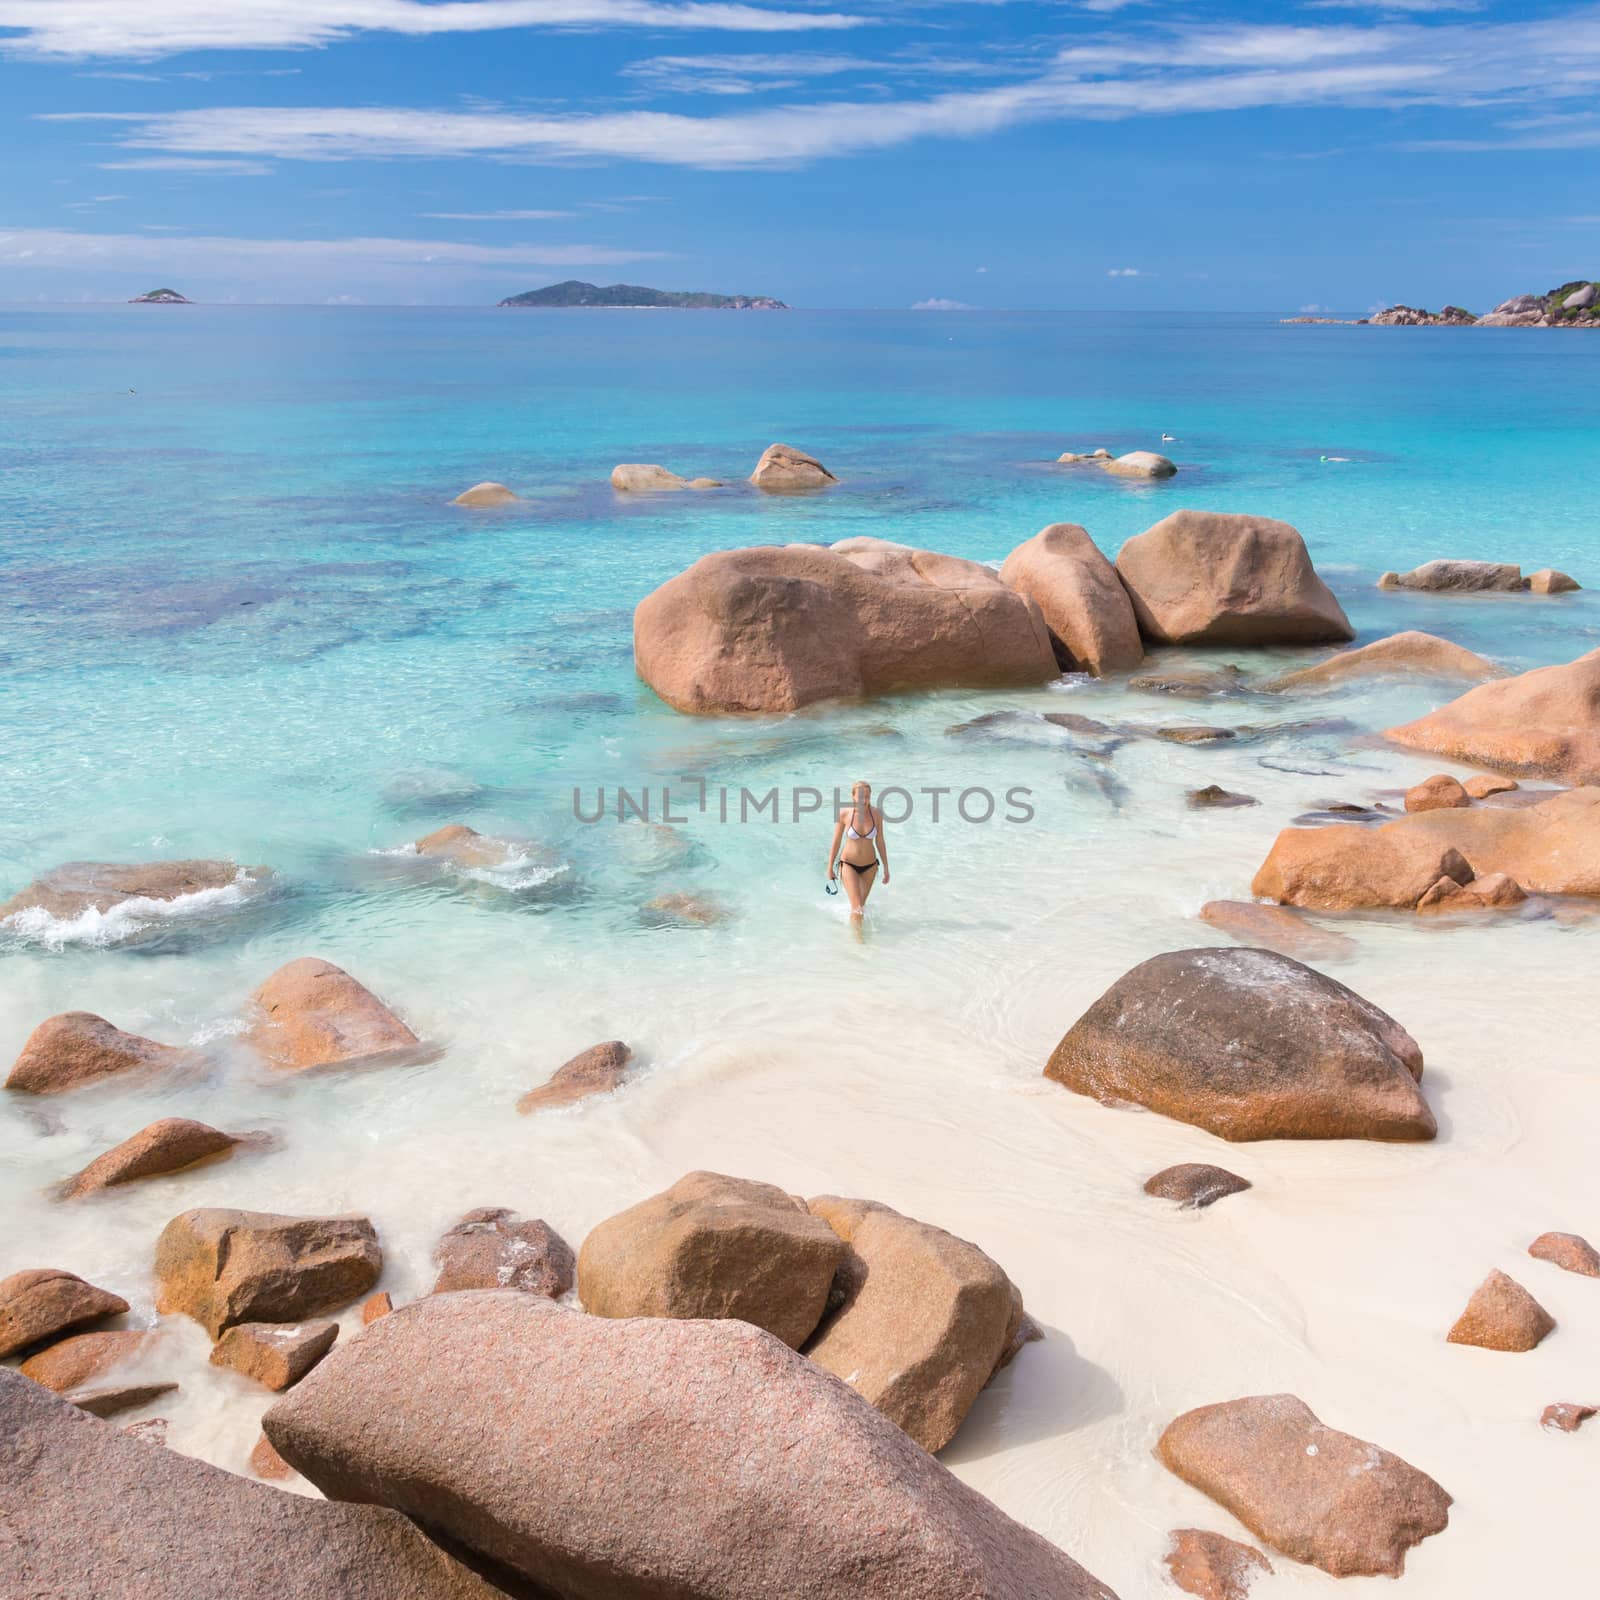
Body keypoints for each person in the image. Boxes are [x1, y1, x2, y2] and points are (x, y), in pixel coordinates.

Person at [827, 780, 889, 920]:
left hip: (870, 867)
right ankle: (858, 941)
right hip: (848, 864)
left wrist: (886, 867)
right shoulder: (844, 814)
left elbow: (880, 841)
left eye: (867, 796)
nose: (864, 800)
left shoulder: (877, 814)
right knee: (857, 909)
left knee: (861, 906)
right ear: (853, 797)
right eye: (860, 797)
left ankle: (856, 936)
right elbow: (836, 842)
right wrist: (829, 867)